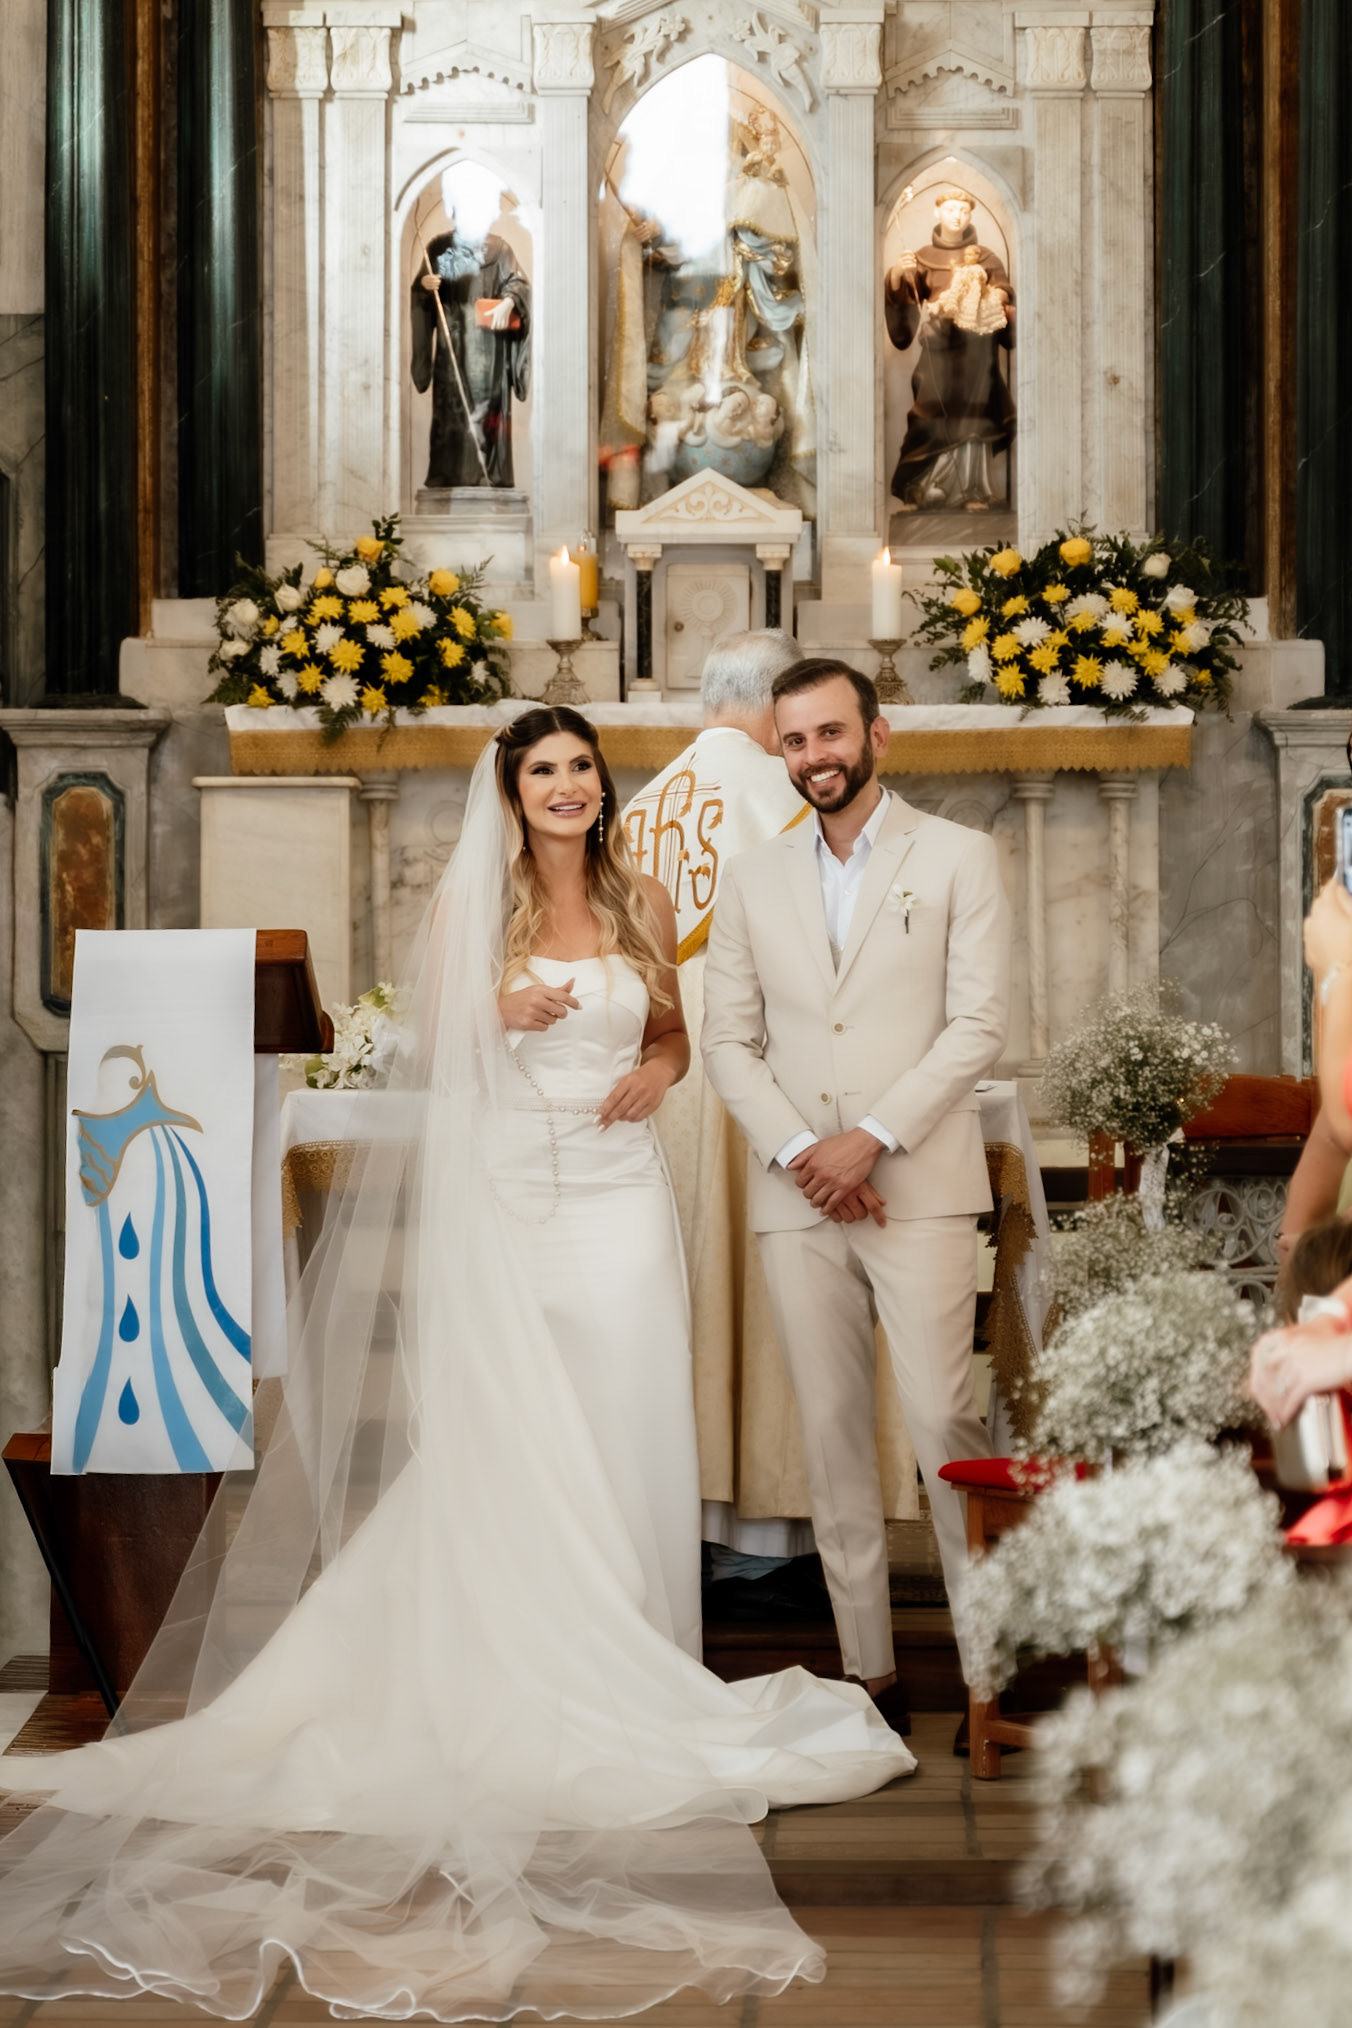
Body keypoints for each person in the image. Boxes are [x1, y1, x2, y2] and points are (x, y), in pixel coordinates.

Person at [0, 705, 913, 2023]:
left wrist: (659, 1073)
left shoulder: (642, 894)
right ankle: (517, 1667)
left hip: (619, 1195)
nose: (566, 786)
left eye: (580, 768)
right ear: (512, 790)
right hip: (512, 1194)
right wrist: (492, 1006)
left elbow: (671, 1032)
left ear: (601, 787)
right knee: (515, 1428)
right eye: (543, 771)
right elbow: (426, 1045)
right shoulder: (472, 906)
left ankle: (642, 1651)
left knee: (625, 1416)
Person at [701, 659, 1011, 1715]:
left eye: (829, 734)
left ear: (876, 735)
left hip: (917, 1185)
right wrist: (806, 1152)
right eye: (794, 741)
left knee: (943, 1425)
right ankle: (868, 1672)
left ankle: (985, 1675)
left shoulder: (958, 856)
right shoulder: (751, 878)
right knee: (831, 1438)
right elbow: (727, 1043)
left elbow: (977, 1024)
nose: (813, 757)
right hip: (797, 1199)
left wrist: (868, 1139)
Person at [885, 188, 1014, 513]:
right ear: (937, 213)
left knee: (974, 417)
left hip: (976, 352)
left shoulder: (986, 258)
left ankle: (973, 489)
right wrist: (898, 274)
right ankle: (923, 486)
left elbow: (1003, 291)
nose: (957, 216)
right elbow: (908, 304)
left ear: (971, 215)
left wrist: (993, 296)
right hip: (939, 351)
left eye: (963, 210)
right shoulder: (921, 256)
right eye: (951, 209)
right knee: (928, 413)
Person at [411, 208, 530, 489]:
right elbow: (421, 294)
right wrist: (424, 287)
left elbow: (520, 284)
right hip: (451, 348)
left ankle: (488, 475)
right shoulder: (438, 248)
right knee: (451, 414)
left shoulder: (499, 250)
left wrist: (509, 302)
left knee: (487, 414)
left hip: (489, 354)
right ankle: (449, 474)